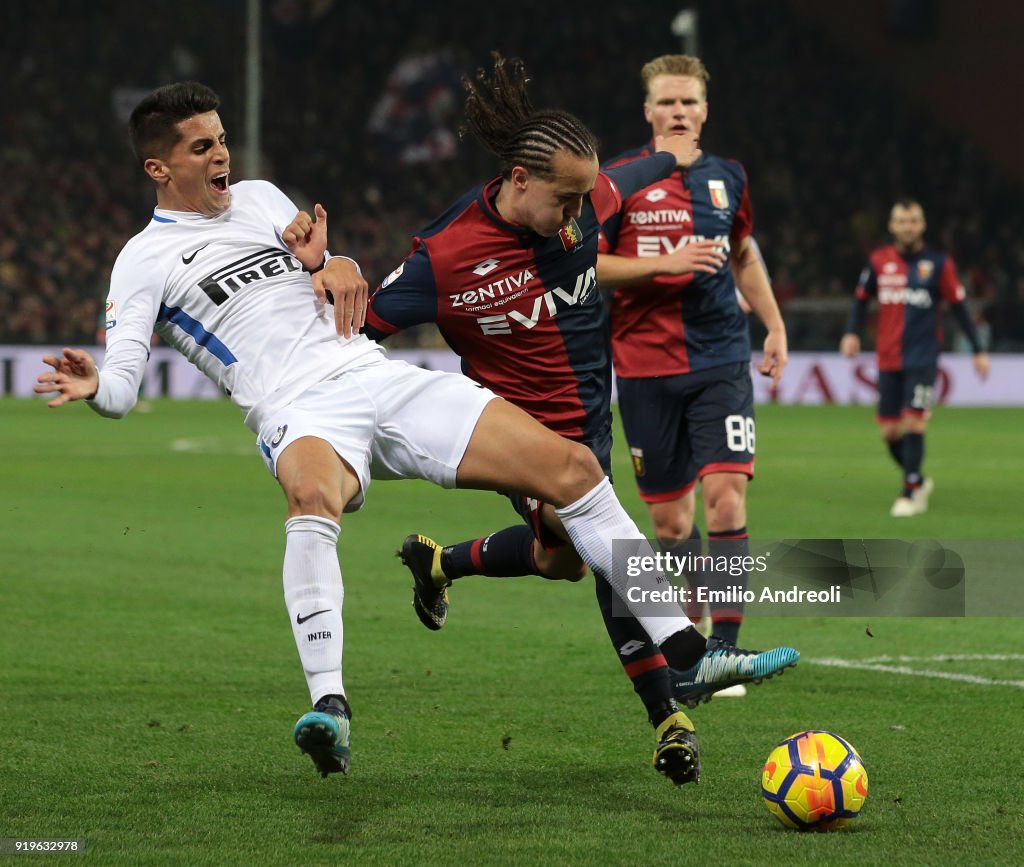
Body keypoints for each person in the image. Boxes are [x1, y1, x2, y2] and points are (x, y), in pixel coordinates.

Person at [35, 80, 763, 784]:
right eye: (201, 147)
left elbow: (314, 272)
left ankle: (688, 647)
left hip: (372, 372)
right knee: (312, 498)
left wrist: (332, 260)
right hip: (296, 408)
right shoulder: (144, 258)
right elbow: (125, 383)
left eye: (222, 139)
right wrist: (97, 385)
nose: (222, 156)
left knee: (573, 470)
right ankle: (330, 704)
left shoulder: (258, 199)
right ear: (158, 167)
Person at [363, 53, 799, 784]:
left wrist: (670, 143)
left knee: (561, 558)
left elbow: (635, 174)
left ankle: (441, 562)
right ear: (519, 180)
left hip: (593, 418)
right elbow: (354, 331)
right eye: (565, 202)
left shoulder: (589, 196)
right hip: (522, 438)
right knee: (596, 530)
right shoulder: (444, 260)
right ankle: (673, 705)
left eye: (582, 201)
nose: (578, 219)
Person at [595, 54, 789, 684]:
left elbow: (742, 255)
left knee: (725, 498)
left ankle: (725, 648)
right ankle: (695, 631)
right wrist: (665, 261)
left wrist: (775, 324)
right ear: (648, 111)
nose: (679, 112)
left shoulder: (728, 177)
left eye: (689, 103)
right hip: (644, 366)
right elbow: (589, 265)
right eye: (667, 103)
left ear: (704, 111)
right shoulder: (617, 179)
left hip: (720, 359)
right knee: (671, 521)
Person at [840, 198, 989, 516]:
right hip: (887, 358)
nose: (908, 227)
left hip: (922, 356)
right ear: (893, 226)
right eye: (902, 221)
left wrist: (978, 350)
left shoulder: (938, 262)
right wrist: (851, 332)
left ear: (922, 225)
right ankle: (919, 478)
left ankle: (909, 492)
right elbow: (860, 301)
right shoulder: (879, 260)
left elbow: (959, 308)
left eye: (913, 221)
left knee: (914, 422)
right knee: (890, 432)